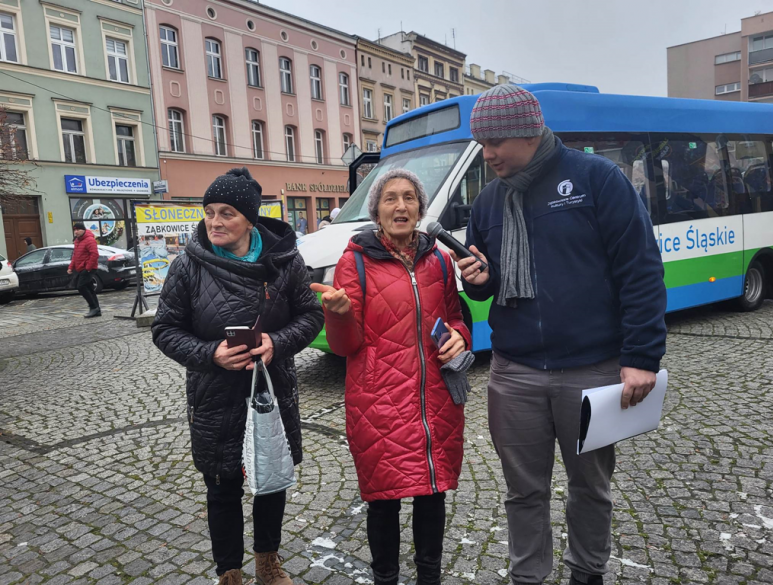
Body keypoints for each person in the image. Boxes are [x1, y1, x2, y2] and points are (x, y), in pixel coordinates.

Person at [452, 85, 667, 585]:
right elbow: (488, 284)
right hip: (514, 372)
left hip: (592, 368)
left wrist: (642, 356)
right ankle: (529, 577)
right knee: (522, 491)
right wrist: (478, 279)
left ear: (527, 133)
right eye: (482, 143)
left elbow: (640, 270)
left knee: (590, 487)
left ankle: (586, 573)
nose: (487, 155)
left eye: (494, 143)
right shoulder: (487, 202)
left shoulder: (597, 179)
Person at [151, 167, 324, 585]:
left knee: (270, 479)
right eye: (209, 212)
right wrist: (211, 354)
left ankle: (268, 560)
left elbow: (311, 315)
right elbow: (164, 330)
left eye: (226, 213)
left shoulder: (284, 262)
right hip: (215, 393)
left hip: (270, 390)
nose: (214, 222)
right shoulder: (188, 265)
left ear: (249, 218)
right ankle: (229, 571)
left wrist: (277, 343)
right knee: (222, 486)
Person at [312, 169, 471, 585]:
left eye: (409, 198)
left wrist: (460, 335)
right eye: (390, 199)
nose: (400, 206)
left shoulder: (438, 257)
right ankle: (385, 577)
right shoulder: (355, 261)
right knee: (384, 499)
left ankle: (429, 577)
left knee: (431, 494)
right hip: (379, 401)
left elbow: (455, 317)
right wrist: (338, 314)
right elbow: (346, 346)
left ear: (420, 207)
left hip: (434, 398)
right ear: (377, 211)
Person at [68, 223, 101, 318]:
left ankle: (93, 307)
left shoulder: (89, 240)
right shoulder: (77, 241)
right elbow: (75, 255)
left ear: (83, 230)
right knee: (90, 288)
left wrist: (88, 268)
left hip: (88, 269)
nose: (76, 232)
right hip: (80, 268)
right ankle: (96, 310)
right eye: (75, 230)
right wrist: (71, 267)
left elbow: (94, 255)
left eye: (78, 230)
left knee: (81, 287)